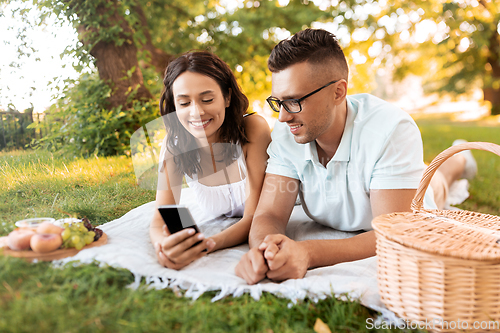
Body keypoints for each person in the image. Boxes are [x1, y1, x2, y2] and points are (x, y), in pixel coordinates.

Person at [235, 28, 477, 285]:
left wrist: (307, 252)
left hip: (416, 198)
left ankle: (459, 158)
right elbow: (269, 214)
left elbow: (392, 233)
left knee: (439, 182)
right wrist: (265, 251)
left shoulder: (391, 130)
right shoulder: (288, 133)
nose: (282, 116)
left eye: (294, 101)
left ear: (338, 92)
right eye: (279, 102)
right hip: (383, 177)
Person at [150, 51, 271, 269]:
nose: (196, 112)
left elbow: (254, 217)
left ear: (227, 97)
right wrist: (164, 247)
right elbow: (162, 216)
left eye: (207, 99)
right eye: (184, 103)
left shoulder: (253, 129)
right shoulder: (174, 144)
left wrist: (206, 245)